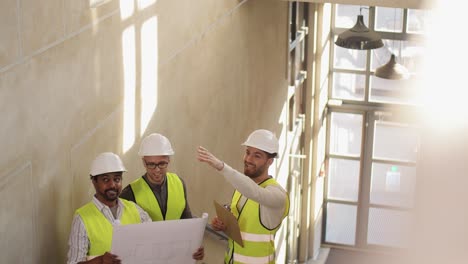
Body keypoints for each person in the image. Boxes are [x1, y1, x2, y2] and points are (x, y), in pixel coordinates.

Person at [197, 129, 290, 264]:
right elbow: (241, 231)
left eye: (257, 156)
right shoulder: (241, 189)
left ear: (270, 161)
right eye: (247, 152)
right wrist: (224, 226)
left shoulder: (278, 195)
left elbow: (256, 193)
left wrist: (221, 166)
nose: (248, 159)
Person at [120, 133, 204, 259]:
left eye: (162, 163)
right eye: (151, 164)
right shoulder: (129, 193)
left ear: (169, 160)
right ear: (144, 162)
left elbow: (187, 222)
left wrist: (196, 246)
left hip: (176, 256)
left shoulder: (179, 183)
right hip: (148, 259)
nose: (157, 170)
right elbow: (126, 238)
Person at [67, 152, 152, 264]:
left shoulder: (136, 210)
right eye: (106, 180)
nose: (112, 185)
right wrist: (100, 261)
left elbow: (152, 245)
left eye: (117, 179)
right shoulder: (82, 218)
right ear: (94, 181)